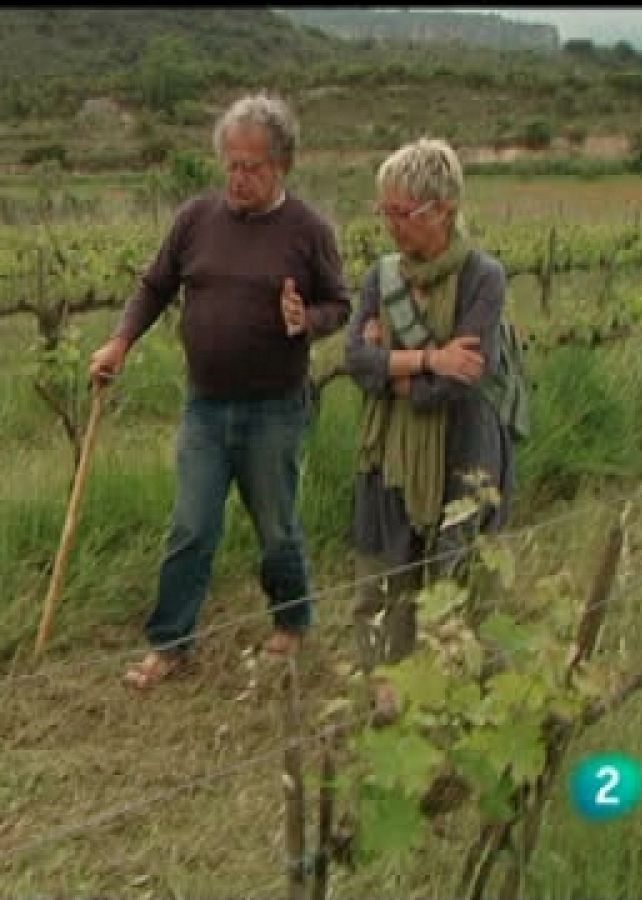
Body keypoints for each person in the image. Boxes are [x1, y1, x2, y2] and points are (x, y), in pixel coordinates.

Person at [89, 91, 352, 690]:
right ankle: (170, 643)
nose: (239, 178)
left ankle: (290, 622)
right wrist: (119, 342)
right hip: (205, 406)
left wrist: (304, 321)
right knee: (191, 526)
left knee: (277, 527)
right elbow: (154, 287)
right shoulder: (194, 219)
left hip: (275, 409)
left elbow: (340, 304)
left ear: (282, 164)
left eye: (252, 167)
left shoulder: (309, 231)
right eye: (231, 164)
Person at [342, 137, 515, 718]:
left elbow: (459, 384)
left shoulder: (483, 277)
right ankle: (384, 698)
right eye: (384, 211)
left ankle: (452, 699)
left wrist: (390, 367)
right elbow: (353, 361)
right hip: (388, 454)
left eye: (401, 213)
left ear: (441, 209)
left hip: (463, 449)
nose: (390, 225)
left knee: (456, 572)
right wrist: (427, 360)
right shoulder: (380, 276)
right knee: (381, 576)